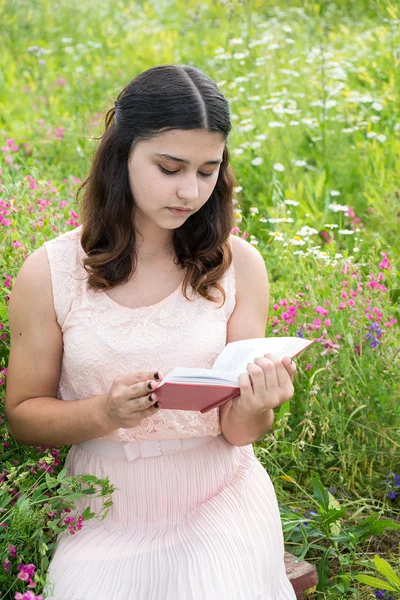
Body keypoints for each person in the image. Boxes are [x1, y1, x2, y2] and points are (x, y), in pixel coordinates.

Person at [5, 64, 297, 599]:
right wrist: (104, 413)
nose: (190, 191)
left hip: (218, 496)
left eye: (208, 171)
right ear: (122, 155)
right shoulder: (51, 271)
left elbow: (238, 433)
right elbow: (23, 416)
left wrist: (259, 403)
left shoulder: (238, 265)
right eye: (169, 167)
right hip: (103, 505)